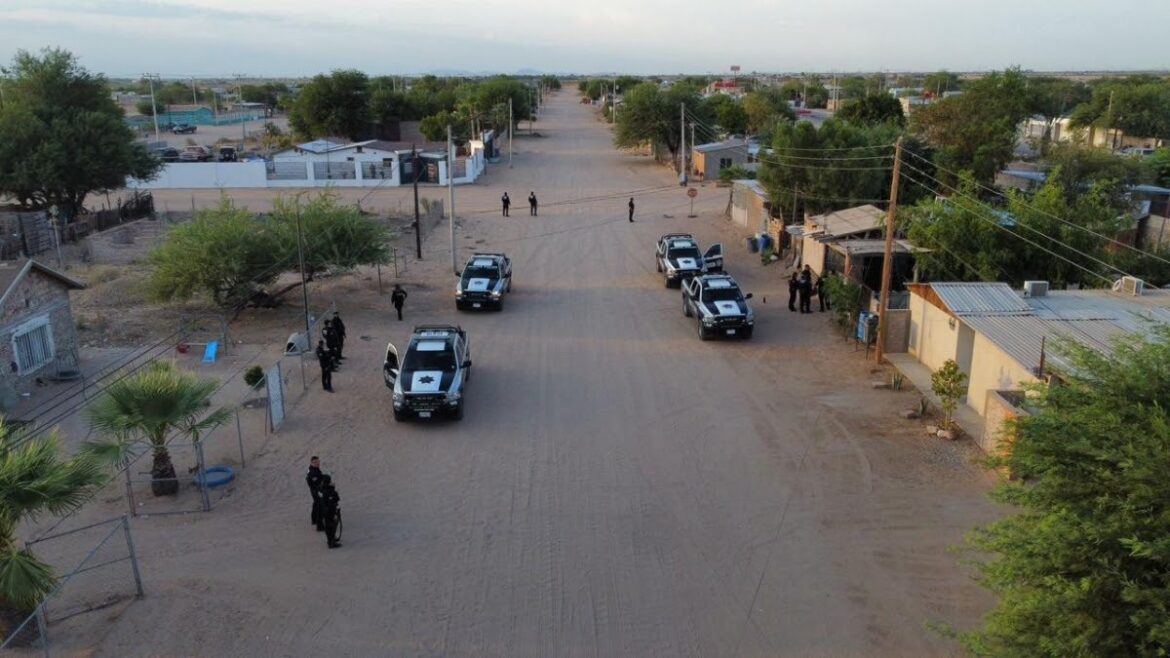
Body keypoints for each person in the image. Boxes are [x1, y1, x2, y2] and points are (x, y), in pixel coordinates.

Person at [320, 474, 341, 549]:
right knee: (331, 526)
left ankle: (331, 540)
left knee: (329, 526)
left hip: (325, 511)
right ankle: (331, 542)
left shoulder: (322, 489)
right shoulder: (330, 491)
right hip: (330, 511)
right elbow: (336, 499)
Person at [306, 456, 324, 531]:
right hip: (316, 490)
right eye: (315, 462)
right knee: (319, 505)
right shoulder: (312, 471)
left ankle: (314, 520)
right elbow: (316, 483)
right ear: (311, 463)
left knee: (316, 503)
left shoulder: (314, 469)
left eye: (318, 461)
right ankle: (319, 525)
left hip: (315, 490)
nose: (317, 463)